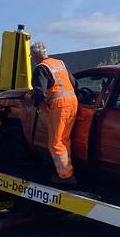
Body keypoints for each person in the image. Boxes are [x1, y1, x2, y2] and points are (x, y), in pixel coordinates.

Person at [30, 41, 78, 186]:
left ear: (35, 55)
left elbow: (39, 92)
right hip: (73, 101)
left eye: (32, 56)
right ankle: (66, 170)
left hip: (59, 104)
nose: (32, 59)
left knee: (55, 142)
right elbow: (74, 83)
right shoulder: (59, 63)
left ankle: (66, 177)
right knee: (64, 140)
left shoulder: (41, 68)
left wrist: (37, 105)